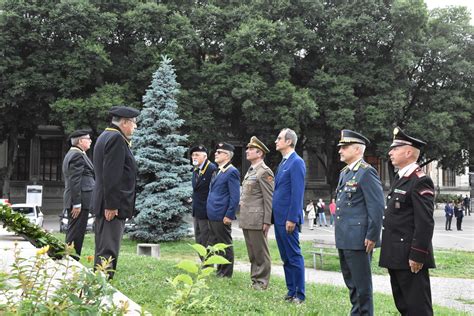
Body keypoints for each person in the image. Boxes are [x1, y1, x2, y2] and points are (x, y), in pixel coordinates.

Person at [379, 126, 436, 316]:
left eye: (395, 148)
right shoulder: (400, 178)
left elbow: (425, 222)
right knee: (404, 305)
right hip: (396, 255)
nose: (390, 152)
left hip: (410, 257)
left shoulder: (420, 180)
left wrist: (418, 255)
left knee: (418, 308)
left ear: (408, 151)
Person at [335, 129, 384, 316]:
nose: (340, 150)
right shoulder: (345, 173)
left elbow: (377, 207)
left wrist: (372, 236)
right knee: (351, 282)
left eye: (344, 147)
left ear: (357, 149)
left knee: (362, 285)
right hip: (345, 237)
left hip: (359, 239)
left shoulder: (366, 172)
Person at [91, 105, 140, 279]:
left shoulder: (106, 136)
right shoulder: (116, 139)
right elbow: (112, 175)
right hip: (111, 206)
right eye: (134, 123)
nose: (135, 127)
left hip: (106, 203)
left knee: (103, 247)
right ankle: (101, 287)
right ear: (125, 122)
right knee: (108, 249)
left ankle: (98, 284)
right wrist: (112, 205)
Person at [272, 128, 306, 304]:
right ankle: (290, 290)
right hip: (279, 218)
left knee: (294, 256)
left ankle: (299, 294)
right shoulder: (283, 163)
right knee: (285, 257)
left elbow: (297, 193)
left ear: (289, 142)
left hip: (288, 219)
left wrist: (292, 218)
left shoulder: (296, 162)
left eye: (279, 138)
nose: (276, 141)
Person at [239, 136, 274, 290]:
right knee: (252, 252)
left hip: (258, 218)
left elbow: (269, 199)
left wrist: (267, 221)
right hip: (248, 217)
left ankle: (262, 282)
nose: (247, 151)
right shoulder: (251, 171)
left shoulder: (264, 172)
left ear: (259, 153)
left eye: (250, 149)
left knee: (260, 252)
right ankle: (255, 280)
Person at [206, 142, 240, 277]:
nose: (216, 154)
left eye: (219, 152)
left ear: (227, 155)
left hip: (222, 214)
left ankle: (226, 273)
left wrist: (229, 215)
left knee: (225, 244)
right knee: (217, 244)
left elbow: (235, 197)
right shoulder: (219, 170)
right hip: (213, 213)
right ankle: (220, 270)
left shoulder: (232, 172)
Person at [62, 129, 94, 258]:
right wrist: (77, 203)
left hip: (79, 200)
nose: (90, 140)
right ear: (81, 141)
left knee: (76, 231)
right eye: (88, 138)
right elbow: (75, 181)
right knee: (76, 233)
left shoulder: (77, 154)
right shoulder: (77, 155)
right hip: (79, 202)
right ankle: (71, 260)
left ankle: (71, 259)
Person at [190, 145, 217, 250]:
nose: (194, 157)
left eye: (197, 155)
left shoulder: (211, 169)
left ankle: (208, 264)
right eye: (193, 155)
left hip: (206, 212)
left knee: (206, 239)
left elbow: (214, 191)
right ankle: (204, 263)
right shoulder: (196, 169)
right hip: (196, 210)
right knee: (198, 240)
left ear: (205, 156)